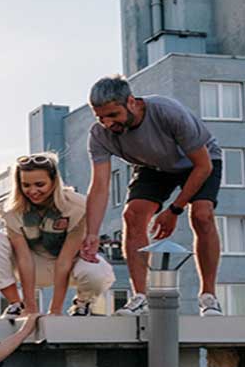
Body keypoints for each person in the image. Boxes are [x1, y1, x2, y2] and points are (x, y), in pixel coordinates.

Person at [81, 75, 223, 317]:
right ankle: (140, 298)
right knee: (132, 215)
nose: (107, 123)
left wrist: (174, 210)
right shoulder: (99, 135)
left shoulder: (167, 112)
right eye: (100, 117)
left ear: (132, 102)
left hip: (198, 162)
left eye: (113, 115)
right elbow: (100, 187)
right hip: (154, 166)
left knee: (201, 214)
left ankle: (208, 297)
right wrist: (92, 233)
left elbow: (203, 166)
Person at [0, 152, 115, 318]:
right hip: (31, 265)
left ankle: (82, 304)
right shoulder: (11, 210)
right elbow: (24, 258)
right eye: (26, 185)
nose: (33, 191)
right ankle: (16, 305)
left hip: (69, 266)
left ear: (54, 181)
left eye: (40, 184)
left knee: (97, 272)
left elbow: (65, 261)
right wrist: (31, 308)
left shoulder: (78, 206)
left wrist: (55, 311)